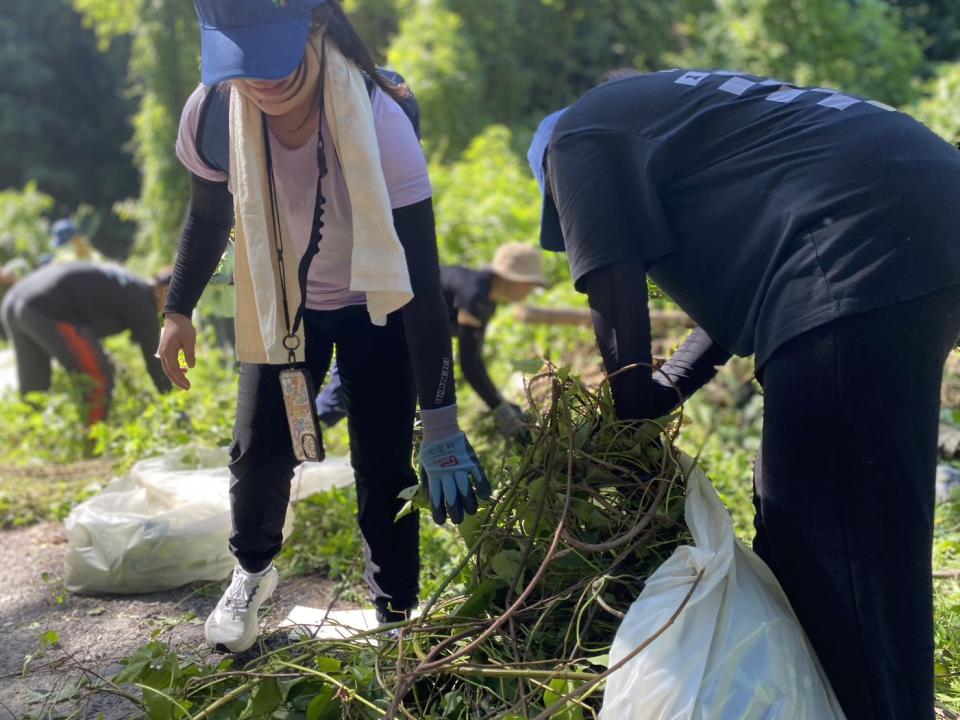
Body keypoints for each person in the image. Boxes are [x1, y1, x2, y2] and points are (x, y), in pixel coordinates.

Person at [528, 69, 960, 720]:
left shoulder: (578, 137)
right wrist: (665, 387)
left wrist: (622, 422)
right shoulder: (683, 126)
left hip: (855, 242)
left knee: (837, 552)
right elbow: (733, 301)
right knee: (824, 515)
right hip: (920, 207)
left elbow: (614, 293)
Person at [156, 0, 488, 653]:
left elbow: (421, 279)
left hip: (377, 304)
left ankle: (396, 610)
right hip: (287, 312)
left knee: (384, 457)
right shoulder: (215, 113)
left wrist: (442, 421)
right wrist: (176, 309)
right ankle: (252, 573)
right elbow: (207, 215)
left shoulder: (380, 119)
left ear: (313, 25)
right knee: (265, 448)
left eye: (274, 56)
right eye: (243, 63)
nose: (263, 79)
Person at [315, 242, 548, 439]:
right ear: (515, 279)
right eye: (532, 283)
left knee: (375, 405)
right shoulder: (474, 294)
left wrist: (502, 403)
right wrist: (500, 409)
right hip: (375, 326)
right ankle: (289, 445)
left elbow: (468, 359)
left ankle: (296, 444)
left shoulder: (483, 298)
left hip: (398, 341)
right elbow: (470, 364)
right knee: (338, 401)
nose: (532, 290)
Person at [0, 261, 173, 424]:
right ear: (166, 291)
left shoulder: (130, 284)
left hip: (17, 300)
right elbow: (155, 360)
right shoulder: (143, 303)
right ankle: (90, 448)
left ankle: (31, 441)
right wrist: (173, 403)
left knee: (35, 391)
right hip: (47, 307)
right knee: (98, 379)